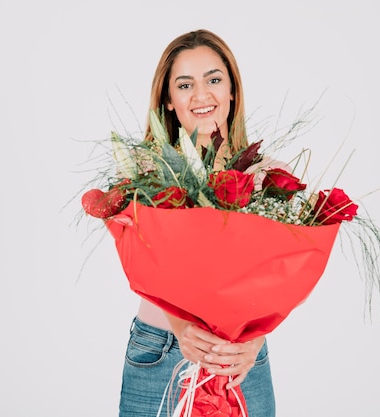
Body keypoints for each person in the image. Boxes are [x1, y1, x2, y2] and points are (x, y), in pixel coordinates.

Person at [118, 29, 276, 417]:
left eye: (214, 80)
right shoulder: (145, 173)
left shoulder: (267, 175)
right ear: (169, 101)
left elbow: (282, 272)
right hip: (161, 349)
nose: (201, 95)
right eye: (185, 84)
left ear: (232, 91)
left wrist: (256, 340)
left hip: (241, 357)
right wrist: (182, 329)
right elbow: (142, 265)